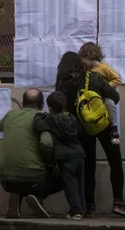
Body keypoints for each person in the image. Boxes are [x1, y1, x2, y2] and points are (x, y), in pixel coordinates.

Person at [55, 51, 125, 218]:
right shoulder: (94, 78)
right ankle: (119, 203)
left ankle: (89, 206)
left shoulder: (62, 85)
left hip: (81, 129)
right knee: (115, 162)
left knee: (88, 166)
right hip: (103, 125)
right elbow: (115, 96)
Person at [0, 88, 62, 219]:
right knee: (62, 177)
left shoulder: (10, 115)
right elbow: (46, 143)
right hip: (34, 179)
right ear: (42, 104)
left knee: (19, 177)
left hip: (6, 180)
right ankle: (37, 196)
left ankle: (16, 196)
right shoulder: (42, 119)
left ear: (23, 101)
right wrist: (50, 162)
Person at [33, 91, 85, 220]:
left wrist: (39, 116)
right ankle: (82, 208)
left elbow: (38, 126)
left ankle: (76, 211)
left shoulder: (51, 119)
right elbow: (80, 133)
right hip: (79, 154)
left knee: (70, 184)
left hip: (65, 157)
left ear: (49, 107)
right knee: (80, 184)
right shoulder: (72, 118)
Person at [78, 42, 122, 145]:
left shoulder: (104, 68)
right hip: (95, 98)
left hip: (105, 95)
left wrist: (107, 87)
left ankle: (114, 129)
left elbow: (117, 78)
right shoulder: (88, 71)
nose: (82, 63)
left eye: (83, 60)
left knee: (109, 104)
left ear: (88, 55)